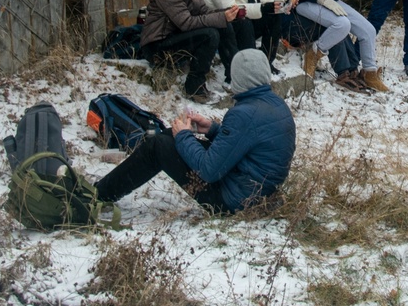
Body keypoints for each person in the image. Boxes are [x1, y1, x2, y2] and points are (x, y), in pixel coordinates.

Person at [95, 50, 296, 213]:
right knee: (167, 135)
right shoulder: (275, 103)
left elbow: (208, 171)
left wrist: (184, 135)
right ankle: (106, 188)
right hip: (256, 191)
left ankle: (99, 195)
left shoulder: (244, 113)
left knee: (158, 145)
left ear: (239, 79)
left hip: (233, 201)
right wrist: (212, 129)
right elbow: (246, 143)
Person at [140, 0, 241, 102]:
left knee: (224, 26)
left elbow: (203, 11)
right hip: (158, 47)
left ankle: (234, 78)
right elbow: (186, 23)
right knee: (210, 34)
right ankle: (195, 88)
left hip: (176, 38)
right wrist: (220, 17)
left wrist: (226, 14)